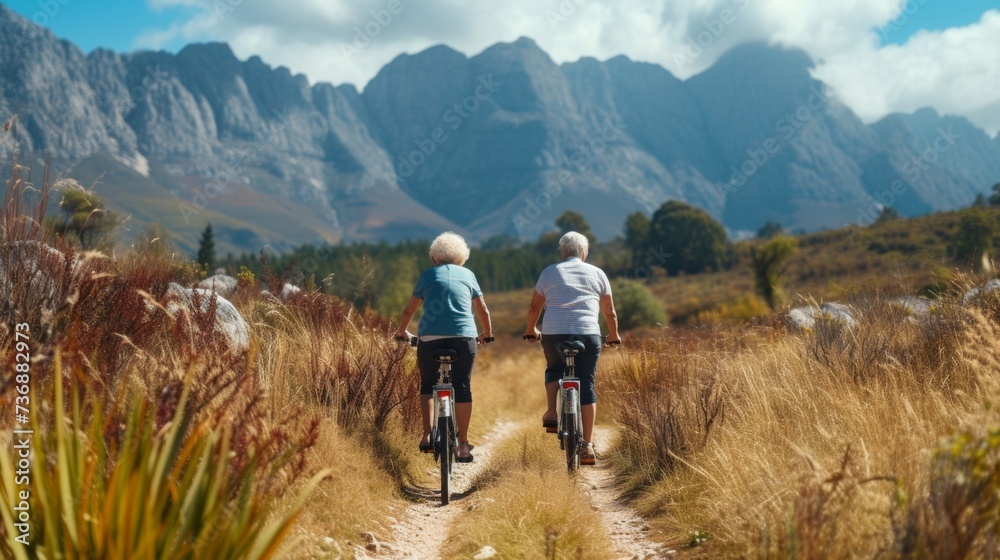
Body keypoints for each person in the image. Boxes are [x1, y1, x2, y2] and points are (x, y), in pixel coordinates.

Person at [523, 231, 620, 465]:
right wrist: (614, 335)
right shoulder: (598, 273)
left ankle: (551, 412)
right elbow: (609, 311)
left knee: (554, 369)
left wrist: (530, 330)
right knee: (586, 384)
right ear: (584, 253)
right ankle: (587, 445)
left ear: (563, 252)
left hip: (554, 334)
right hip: (588, 334)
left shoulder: (550, 272)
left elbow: (535, 307)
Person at [395, 232, 492, 463]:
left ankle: (427, 435)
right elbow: (483, 310)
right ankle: (463, 444)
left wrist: (401, 332)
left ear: (434, 257)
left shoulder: (427, 276)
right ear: (461, 257)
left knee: (428, 384)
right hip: (464, 338)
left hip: (430, 339)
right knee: (463, 387)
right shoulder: (468, 275)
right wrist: (487, 334)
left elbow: (409, 310)